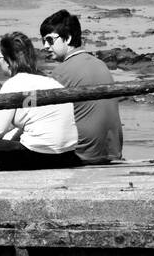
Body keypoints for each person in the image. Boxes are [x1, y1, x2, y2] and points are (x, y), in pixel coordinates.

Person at [0, 32, 81, 171]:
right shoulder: (47, 81)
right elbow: (28, 119)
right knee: (9, 141)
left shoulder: (12, 84)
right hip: (68, 157)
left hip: (39, 157)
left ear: (8, 59)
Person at [40, 9, 123, 164]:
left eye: (50, 40)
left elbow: (37, 112)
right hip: (112, 153)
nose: (45, 46)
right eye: (43, 41)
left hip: (82, 156)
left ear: (68, 38)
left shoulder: (61, 73)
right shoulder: (101, 64)